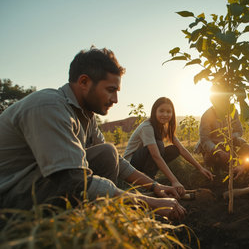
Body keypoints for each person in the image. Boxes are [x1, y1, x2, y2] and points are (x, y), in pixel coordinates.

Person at [0, 47, 186, 220]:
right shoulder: (49, 106)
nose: (115, 99)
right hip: (9, 201)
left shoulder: (86, 116)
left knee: (107, 153)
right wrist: (150, 203)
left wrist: (155, 186)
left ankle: (93, 217)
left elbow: (118, 163)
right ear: (84, 82)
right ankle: (77, 224)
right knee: (88, 174)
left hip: (38, 187)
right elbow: (72, 180)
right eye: (110, 90)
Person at [123, 97, 214, 196]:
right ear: (154, 112)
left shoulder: (162, 127)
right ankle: (147, 182)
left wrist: (200, 168)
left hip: (142, 161)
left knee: (174, 150)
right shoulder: (147, 127)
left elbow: (182, 149)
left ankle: (149, 179)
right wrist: (174, 181)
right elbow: (155, 156)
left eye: (168, 112)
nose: (165, 114)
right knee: (159, 145)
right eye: (161, 111)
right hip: (130, 165)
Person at [194, 105, 249, 173]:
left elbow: (239, 131)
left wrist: (232, 136)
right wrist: (219, 151)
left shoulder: (233, 111)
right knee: (212, 159)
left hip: (228, 140)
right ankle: (211, 166)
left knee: (245, 145)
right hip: (212, 143)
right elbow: (205, 140)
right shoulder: (207, 115)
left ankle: (235, 163)